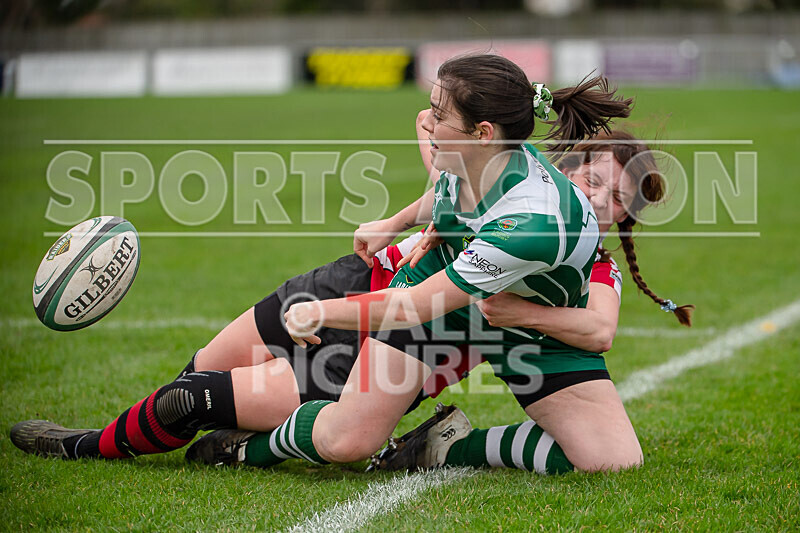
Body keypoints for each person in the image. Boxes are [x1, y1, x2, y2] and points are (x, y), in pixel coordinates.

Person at [9, 55, 687, 476]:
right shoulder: (495, 164)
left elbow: (586, 328)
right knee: (202, 372)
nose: (602, 202)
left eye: (618, 203)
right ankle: (168, 430)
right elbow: (445, 170)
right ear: (570, 161)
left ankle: (100, 445)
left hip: (405, 320)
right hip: (357, 284)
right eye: (598, 181)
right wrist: (399, 223)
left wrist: (513, 310)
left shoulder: (554, 237)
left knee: (233, 407)